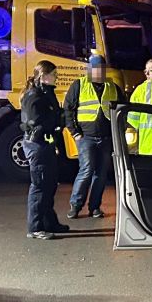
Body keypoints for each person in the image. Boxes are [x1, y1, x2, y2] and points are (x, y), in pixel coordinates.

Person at [65, 54, 121, 219]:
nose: (98, 72)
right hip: (86, 137)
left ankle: (94, 207)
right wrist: (75, 132)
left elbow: (121, 109)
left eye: (101, 68)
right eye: (95, 68)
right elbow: (68, 109)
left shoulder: (112, 86)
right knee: (87, 170)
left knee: (101, 174)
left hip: (106, 137)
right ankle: (76, 205)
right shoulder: (79, 84)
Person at [20, 60, 69, 239]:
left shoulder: (46, 93)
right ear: (43, 76)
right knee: (40, 186)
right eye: (54, 74)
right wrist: (55, 122)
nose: (56, 77)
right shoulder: (34, 96)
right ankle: (35, 228)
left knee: (50, 184)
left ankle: (49, 223)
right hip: (37, 145)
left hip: (46, 144)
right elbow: (36, 122)